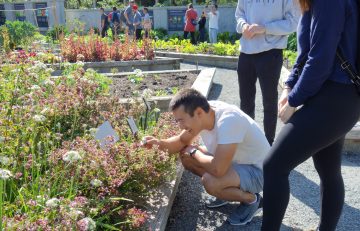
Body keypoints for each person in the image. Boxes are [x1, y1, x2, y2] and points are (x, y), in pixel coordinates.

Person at [262, 0, 360, 230]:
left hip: (336, 97)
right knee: (328, 169)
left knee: (274, 166)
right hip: (339, 97)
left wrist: (294, 100)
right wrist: (289, 86)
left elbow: (320, 60)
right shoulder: (312, 3)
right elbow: (305, 52)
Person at [143, 88, 270, 226]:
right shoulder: (205, 113)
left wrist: (194, 152)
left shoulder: (229, 120)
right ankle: (227, 190)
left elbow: (218, 170)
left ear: (198, 113)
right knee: (185, 155)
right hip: (235, 162)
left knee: (211, 181)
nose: (180, 126)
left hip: (259, 173)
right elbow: (180, 142)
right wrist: (158, 143)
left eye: (181, 120)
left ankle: (252, 200)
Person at [235, 0, 300, 145]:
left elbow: (293, 22)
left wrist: (264, 28)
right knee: (245, 101)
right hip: (245, 51)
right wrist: (243, 25)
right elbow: (239, 15)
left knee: (269, 102)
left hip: (271, 52)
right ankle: (248, 141)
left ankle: (268, 143)